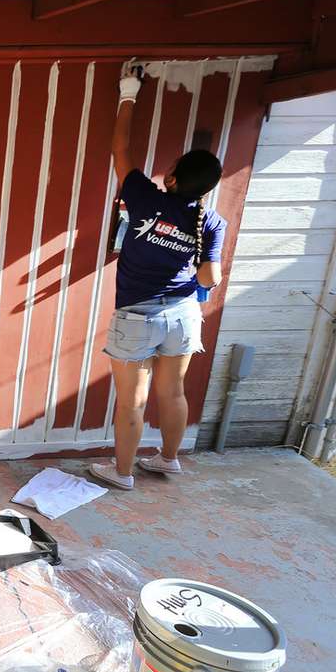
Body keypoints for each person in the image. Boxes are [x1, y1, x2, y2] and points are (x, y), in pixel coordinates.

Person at [88, 71, 225, 490]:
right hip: (183, 315)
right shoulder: (213, 221)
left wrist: (128, 92)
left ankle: (123, 473)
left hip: (136, 316)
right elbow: (211, 278)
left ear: (172, 178)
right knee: (174, 392)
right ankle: (167, 460)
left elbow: (120, 149)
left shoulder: (146, 197)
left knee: (132, 399)